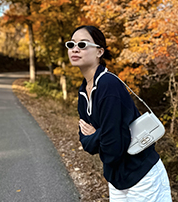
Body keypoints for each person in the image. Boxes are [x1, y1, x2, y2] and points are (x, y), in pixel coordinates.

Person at [65, 25, 172, 202]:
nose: (75, 49)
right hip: (115, 179)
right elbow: (86, 144)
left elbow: (113, 150)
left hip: (142, 175)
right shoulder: (83, 91)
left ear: (99, 52)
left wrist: (97, 134)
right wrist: (104, 134)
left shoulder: (108, 84)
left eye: (82, 44)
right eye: (71, 44)